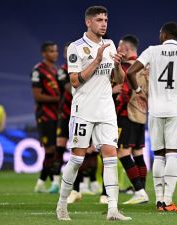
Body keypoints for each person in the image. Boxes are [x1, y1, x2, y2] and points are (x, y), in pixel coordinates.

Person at [55, 6, 131, 221]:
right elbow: (75, 81)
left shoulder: (110, 45)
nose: (104, 23)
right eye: (99, 20)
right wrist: (97, 60)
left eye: (106, 19)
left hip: (106, 109)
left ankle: (113, 209)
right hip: (84, 110)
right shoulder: (76, 48)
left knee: (110, 154)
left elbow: (119, 80)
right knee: (77, 159)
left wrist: (117, 65)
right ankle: (62, 205)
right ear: (88, 22)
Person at [126, 22, 177, 211]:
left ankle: (158, 201)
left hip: (155, 109)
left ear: (164, 35)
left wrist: (139, 91)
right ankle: (168, 201)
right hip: (175, 110)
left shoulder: (152, 51)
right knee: (172, 154)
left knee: (158, 156)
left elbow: (131, 72)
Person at [114, 35, 149, 204]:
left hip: (125, 115)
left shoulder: (126, 67)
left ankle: (139, 191)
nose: (117, 50)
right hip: (141, 114)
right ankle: (141, 189)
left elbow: (124, 92)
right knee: (138, 153)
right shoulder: (145, 66)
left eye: (119, 47)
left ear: (126, 49)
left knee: (122, 152)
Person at [31, 41, 60, 193]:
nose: (54, 54)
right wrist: (59, 99)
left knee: (52, 151)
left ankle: (41, 183)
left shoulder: (55, 71)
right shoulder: (38, 70)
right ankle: (54, 181)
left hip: (56, 115)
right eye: (50, 51)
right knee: (52, 149)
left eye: (55, 51)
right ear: (44, 53)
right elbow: (37, 96)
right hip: (45, 116)